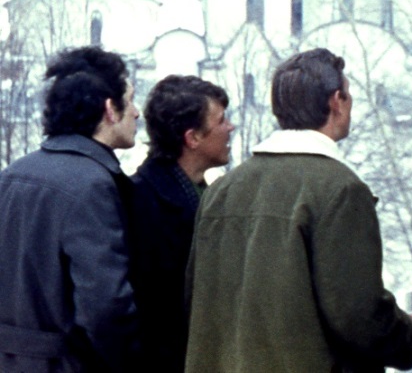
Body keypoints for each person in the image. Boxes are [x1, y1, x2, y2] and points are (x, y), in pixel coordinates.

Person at [185, 48, 412, 373]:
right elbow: (357, 315)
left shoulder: (222, 190)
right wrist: (407, 333)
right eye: (349, 96)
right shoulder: (341, 189)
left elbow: (197, 303)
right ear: (336, 101)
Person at [0, 46, 141, 373]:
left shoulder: (10, 175)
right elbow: (105, 308)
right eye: (131, 100)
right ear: (110, 109)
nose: (137, 112)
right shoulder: (92, 185)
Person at [127, 74, 235, 373]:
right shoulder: (141, 201)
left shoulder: (207, 194)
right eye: (221, 120)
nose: (230, 127)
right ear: (193, 138)